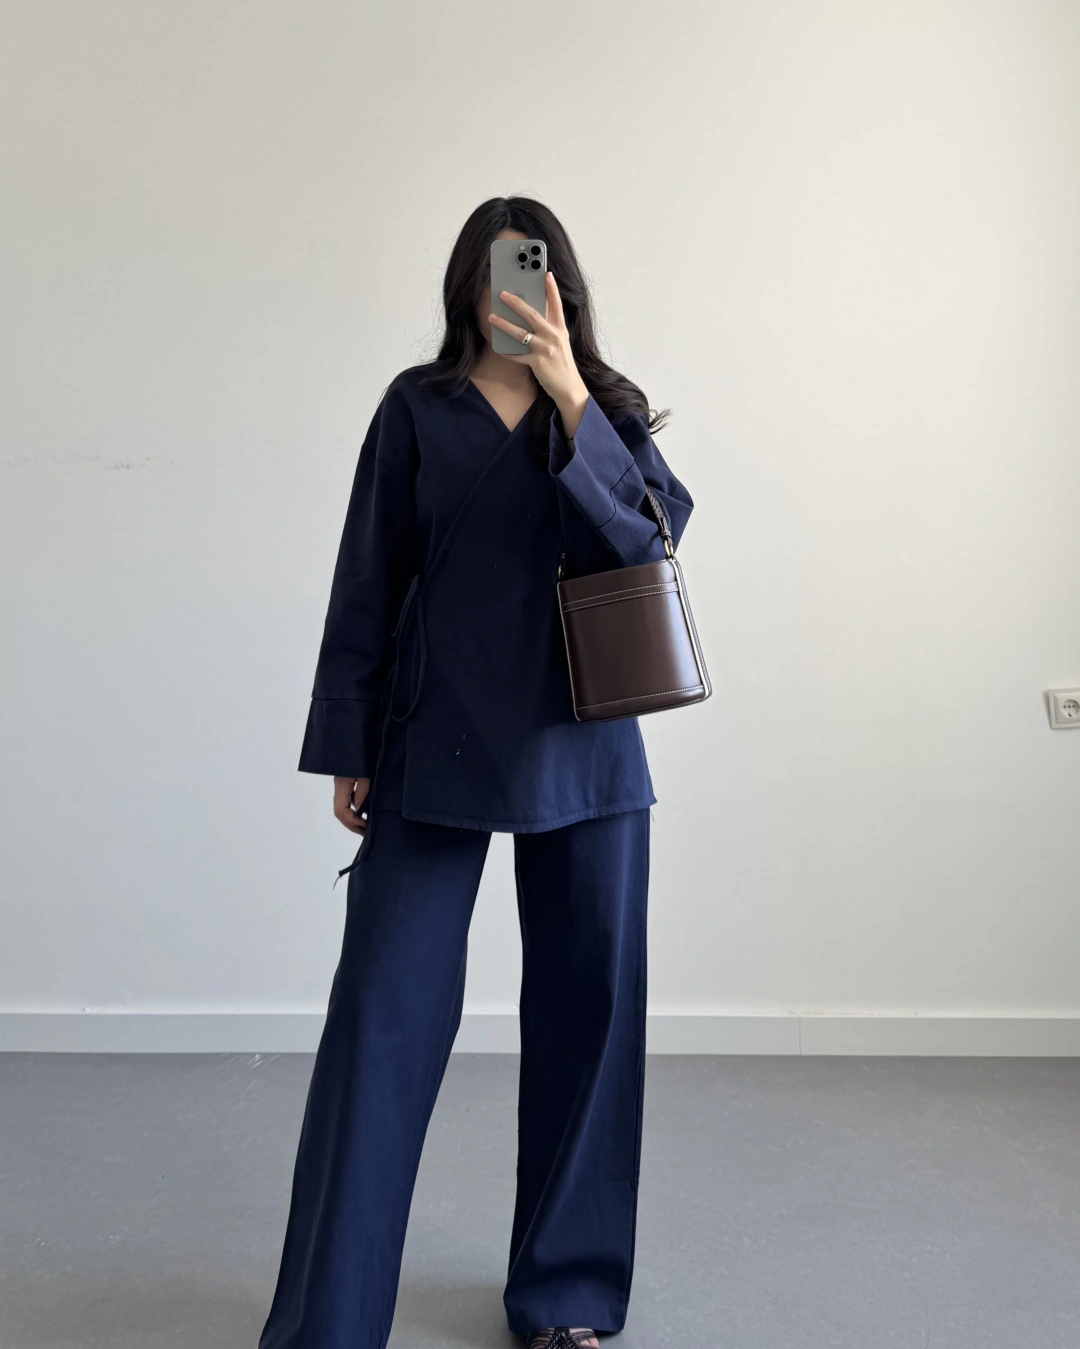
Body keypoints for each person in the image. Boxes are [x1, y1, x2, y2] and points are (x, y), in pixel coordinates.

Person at [257, 196, 695, 1349]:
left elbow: (649, 542)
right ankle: (328, 1321)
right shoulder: (418, 407)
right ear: (469, 283)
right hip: (432, 731)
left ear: (560, 286)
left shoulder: (604, 408)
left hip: (585, 741)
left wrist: (568, 395)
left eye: (531, 271)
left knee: (590, 1019)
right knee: (381, 1021)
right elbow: (367, 580)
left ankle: (566, 1300)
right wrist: (348, 741)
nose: (513, 292)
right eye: (496, 271)